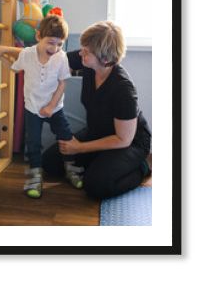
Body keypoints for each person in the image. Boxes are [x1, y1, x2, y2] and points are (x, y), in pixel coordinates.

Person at [42, 20, 152, 199]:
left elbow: (123, 139)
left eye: (86, 52)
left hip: (130, 143)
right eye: (82, 48)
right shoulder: (89, 62)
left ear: (105, 59)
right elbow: (47, 58)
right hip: (98, 132)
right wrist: (5, 51)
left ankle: (142, 168)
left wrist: (80, 148)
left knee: (95, 186)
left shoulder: (123, 89)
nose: (80, 53)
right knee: (50, 163)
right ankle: (100, 161)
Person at [0, 15, 83, 199]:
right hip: (33, 107)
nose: (55, 48)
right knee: (33, 143)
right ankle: (36, 176)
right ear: (38, 37)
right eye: (51, 43)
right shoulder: (27, 54)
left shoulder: (61, 58)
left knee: (65, 135)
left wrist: (52, 106)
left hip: (55, 107)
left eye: (60, 44)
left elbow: (62, 84)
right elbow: (14, 69)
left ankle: (71, 169)